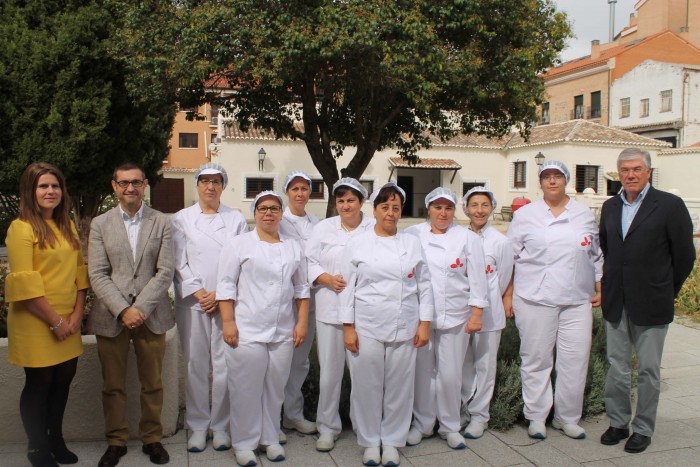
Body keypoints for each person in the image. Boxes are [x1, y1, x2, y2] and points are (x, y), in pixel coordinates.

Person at [598, 148, 695, 453]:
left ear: (648, 172)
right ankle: (617, 422)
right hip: (617, 300)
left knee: (649, 370)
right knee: (617, 366)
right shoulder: (610, 206)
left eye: (637, 169)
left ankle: (642, 428)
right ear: (618, 174)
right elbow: (608, 250)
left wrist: (666, 289)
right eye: (625, 170)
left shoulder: (669, 205)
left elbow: (684, 256)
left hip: (653, 300)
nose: (630, 175)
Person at [505, 160, 602, 440]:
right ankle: (536, 416)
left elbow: (595, 254)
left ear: (566, 180)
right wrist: (508, 294)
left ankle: (567, 417)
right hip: (535, 298)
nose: (552, 181)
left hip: (576, 299)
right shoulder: (526, 215)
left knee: (575, 359)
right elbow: (509, 257)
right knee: (536, 359)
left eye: (557, 176)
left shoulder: (583, 214)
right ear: (540, 182)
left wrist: (599, 286)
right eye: (546, 177)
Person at [339, 182, 434, 467]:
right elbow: (346, 287)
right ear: (375, 210)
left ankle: (392, 440)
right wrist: (348, 327)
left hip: (404, 324)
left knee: (399, 386)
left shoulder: (411, 242)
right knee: (367, 385)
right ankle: (369, 441)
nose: (390, 213)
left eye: (396, 208)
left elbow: (425, 284)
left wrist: (424, 323)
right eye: (385, 207)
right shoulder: (358, 243)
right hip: (367, 324)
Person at [88, 162, 175, 467]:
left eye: (135, 182)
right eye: (123, 183)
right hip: (111, 316)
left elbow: (165, 272)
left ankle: (152, 439)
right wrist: (124, 309)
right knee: (113, 385)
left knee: (153, 382)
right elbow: (97, 273)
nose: (130, 188)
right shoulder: (100, 224)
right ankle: (116, 441)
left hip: (152, 315)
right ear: (114, 186)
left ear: (145, 184)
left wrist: (140, 308)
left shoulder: (162, 222)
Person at [5, 162, 89, 467]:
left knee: (62, 381)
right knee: (39, 384)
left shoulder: (66, 225)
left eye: (55, 186)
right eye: (43, 186)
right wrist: (54, 321)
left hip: (68, 320)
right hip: (36, 320)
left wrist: (77, 315)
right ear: (31, 190)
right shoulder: (21, 228)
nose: (50, 191)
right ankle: (37, 448)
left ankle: (56, 440)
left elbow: (80, 274)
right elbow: (24, 282)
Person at [217, 190, 310, 467]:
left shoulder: (294, 246)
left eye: (273, 208)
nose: (268, 213)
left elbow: (302, 288)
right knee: (245, 388)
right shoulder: (238, 245)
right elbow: (225, 285)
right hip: (247, 328)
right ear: (254, 213)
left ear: (281, 213)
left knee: (275, 387)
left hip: (282, 328)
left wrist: (302, 322)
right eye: (262, 208)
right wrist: (228, 322)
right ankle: (244, 443)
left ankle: (269, 438)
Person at [404, 187, 489, 450]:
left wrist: (476, 313)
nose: (443, 213)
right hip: (422, 318)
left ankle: (450, 425)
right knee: (422, 373)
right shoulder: (413, 234)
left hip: (457, 316)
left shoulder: (467, 238)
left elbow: (477, 278)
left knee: (451, 374)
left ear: (454, 210)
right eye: (437, 207)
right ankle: (423, 424)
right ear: (428, 209)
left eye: (448, 208)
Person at [172, 163, 248, 453]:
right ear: (197, 185)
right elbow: (179, 260)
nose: (210, 187)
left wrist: (220, 294)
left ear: (223, 186)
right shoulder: (182, 218)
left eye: (216, 181)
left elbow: (239, 258)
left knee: (224, 366)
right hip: (193, 303)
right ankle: (197, 425)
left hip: (225, 302)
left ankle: (219, 426)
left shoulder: (236, 219)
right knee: (195, 365)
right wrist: (201, 292)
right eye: (205, 181)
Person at [306, 177, 374, 452]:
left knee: (362, 373)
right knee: (330, 372)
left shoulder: (373, 228)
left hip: (364, 312)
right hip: (329, 309)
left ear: (362, 202)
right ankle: (327, 427)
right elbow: (308, 261)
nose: (346, 206)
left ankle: (363, 426)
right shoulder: (323, 228)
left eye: (351, 200)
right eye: (341, 201)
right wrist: (324, 278)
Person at [461, 186, 514, 439]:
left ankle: (480, 415)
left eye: (484, 205)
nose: (479, 210)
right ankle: (460, 408)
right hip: (462, 313)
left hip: (490, 313)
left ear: (491, 208)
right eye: (474, 205)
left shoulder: (501, 242)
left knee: (485, 365)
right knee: (462, 364)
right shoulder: (459, 237)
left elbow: (503, 278)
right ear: (466, 209)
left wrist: (498, 298)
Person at [277, 170, 320, 438]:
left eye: (304, 189)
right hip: (281, 299)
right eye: (295, 189)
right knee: (278, 360)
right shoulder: (278, 220)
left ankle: (293, 414)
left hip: (310, 299)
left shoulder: (317, 223)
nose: (300, 194)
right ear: (287, 193)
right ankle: (271, 416)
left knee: (300, 361)